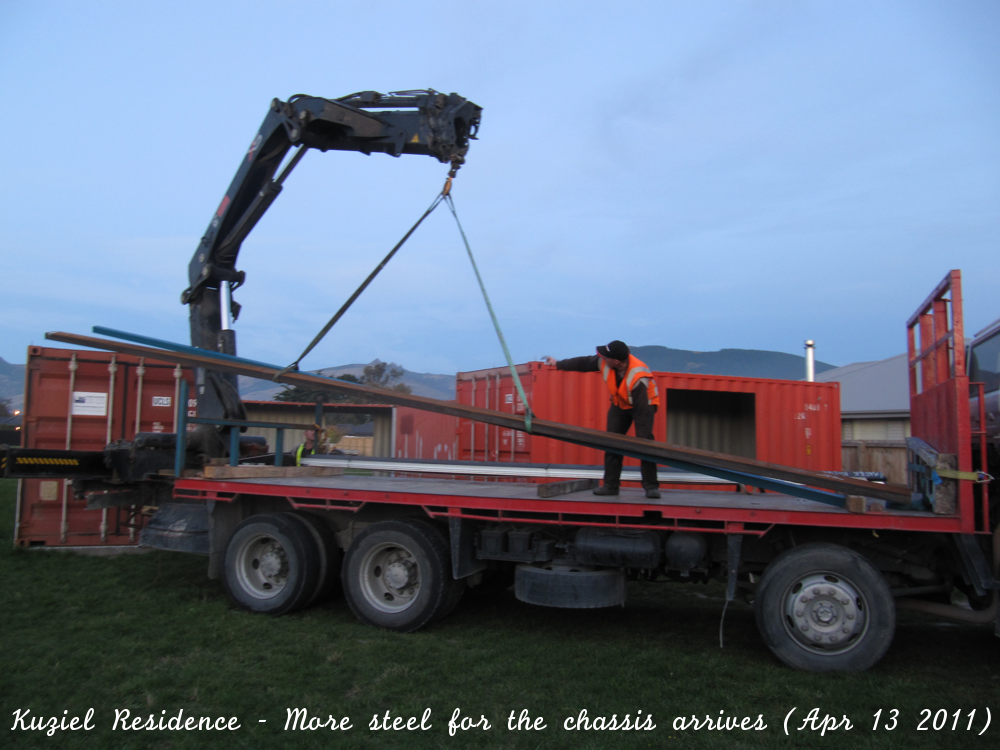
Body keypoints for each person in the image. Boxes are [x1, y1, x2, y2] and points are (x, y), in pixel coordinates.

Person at [544, 340, 661, 499]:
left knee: (645, 443)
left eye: (605, 357)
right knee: (611, 442)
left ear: (616, 361)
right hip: (620, 403)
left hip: (643, 405)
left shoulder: (638, 376)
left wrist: (641, 438)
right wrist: (558, 364)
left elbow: (641, 413)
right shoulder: (606, 363)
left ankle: (651, 487)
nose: (602, 359)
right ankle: (611, 486)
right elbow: (583, 363)